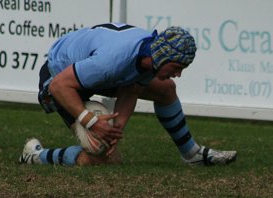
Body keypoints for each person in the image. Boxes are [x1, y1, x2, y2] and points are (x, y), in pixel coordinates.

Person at [19, 23, 237, 166]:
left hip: (92, 75)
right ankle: (34, 156)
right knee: (97, 157)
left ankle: (192, 154)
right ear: (163, 57)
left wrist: (115, 130)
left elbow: (131, 89)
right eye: (177, 67)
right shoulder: (111, 62)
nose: (178, 74)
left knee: (166, 88)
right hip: (57, 77)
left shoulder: (149, 55)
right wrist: (91, 121)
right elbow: (59, 86)